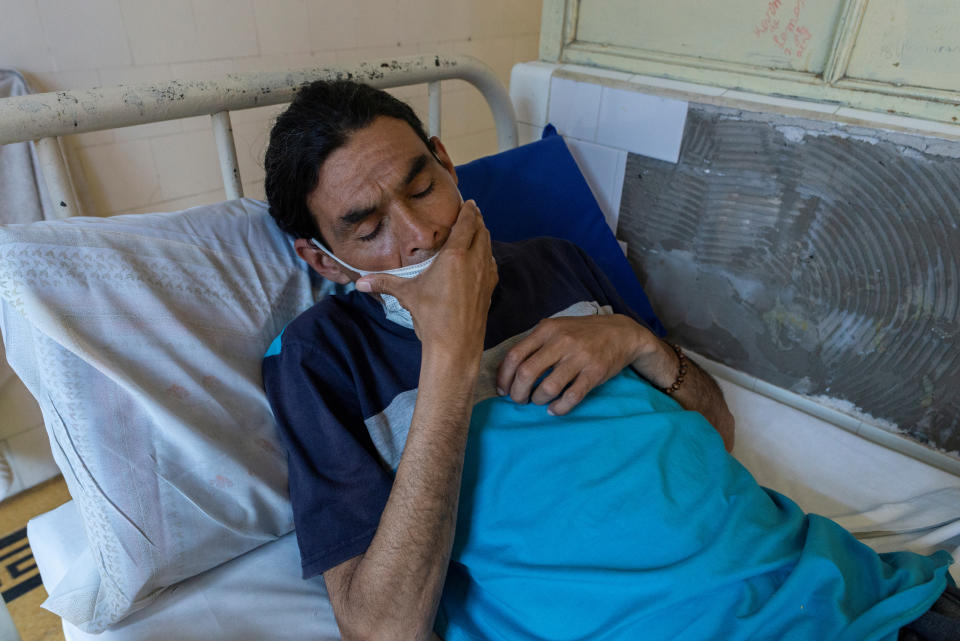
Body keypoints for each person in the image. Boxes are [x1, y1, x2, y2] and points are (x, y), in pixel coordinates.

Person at [261, 80, 957, 641]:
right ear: (323, 259)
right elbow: (382, 628)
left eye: (422, 188)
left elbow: (713, 430)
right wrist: (450, 351)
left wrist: (637, 341)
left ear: (447, 163)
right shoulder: (322, 359)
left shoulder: (556, 261)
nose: (421, 234)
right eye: (369, 226)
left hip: (862, 591)